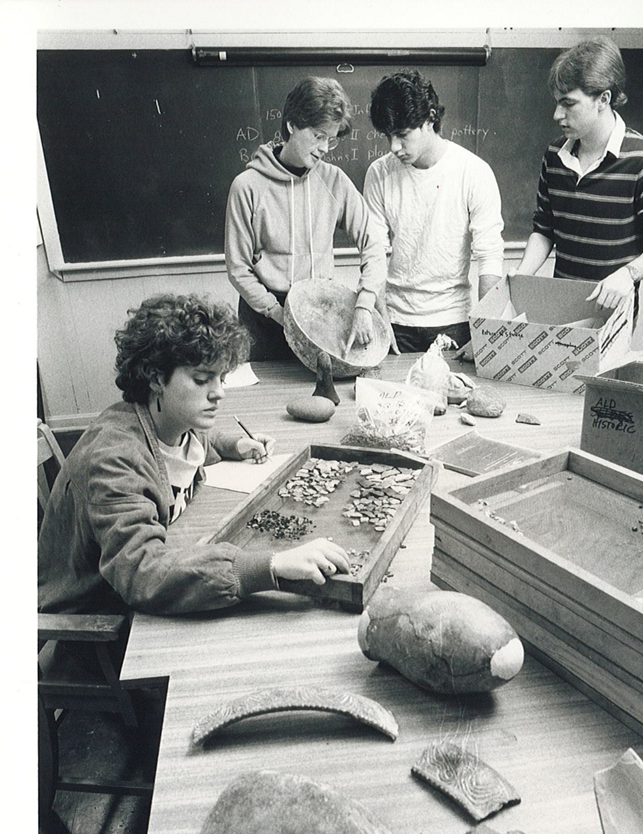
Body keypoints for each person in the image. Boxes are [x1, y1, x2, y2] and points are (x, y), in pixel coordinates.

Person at [38, 294, 350, 616]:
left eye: (221, 378)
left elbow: (196, 443)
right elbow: (143, 573)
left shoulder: (172, 422)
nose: (219, 393)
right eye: (202, 380)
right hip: (99, 619)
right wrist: (272, 565)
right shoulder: (115, 461)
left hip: (141, 578)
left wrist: (234, 446)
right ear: (156, 378)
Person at [515, 36, 643, 316]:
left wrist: (628, 274)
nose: (557, 114)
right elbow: (544, 229)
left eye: (568, 104)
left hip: (612, 311)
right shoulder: (554, 156)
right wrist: (521, 276)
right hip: (560, 306)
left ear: (603, 99)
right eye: (557, 103)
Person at [225, 77, 386, 361]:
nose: (325, 148)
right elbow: (238, 267)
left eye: (331, 140)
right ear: (292, 125)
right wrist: (278, 313)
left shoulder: (334, 181)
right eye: (318, 136)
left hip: (319, 314)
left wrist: (365, 303)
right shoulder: (246, 186)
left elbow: (373, 244)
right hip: (264, 318)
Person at [363, 68, 504, 354]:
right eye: (388, 136)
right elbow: (373, 253)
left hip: (454, 321)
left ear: (429, 119)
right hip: (394, 321)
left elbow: (490, 259)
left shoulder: (473, 172)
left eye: (402, 135)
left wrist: (485, 335)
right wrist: (381, 319)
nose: (394, 147)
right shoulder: (379, 173)